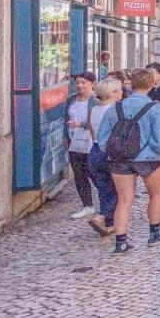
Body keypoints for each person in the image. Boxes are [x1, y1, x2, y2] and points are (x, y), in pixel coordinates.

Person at [95, 68, 160, 253]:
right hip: (150, 159)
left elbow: (103, 137)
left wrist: (117, 152)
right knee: (157, 195)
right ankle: (154, 234)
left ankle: (121, 242)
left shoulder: (115, 107)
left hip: (120, 158)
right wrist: (155, 153)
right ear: (151, 84)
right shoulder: (156, 108)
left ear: (130, 83)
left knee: (124, 200)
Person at [85, 77, 121, 237]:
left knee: (104, 188)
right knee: (118, 189)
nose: (121, 92)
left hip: (95, 149)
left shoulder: (94, 109)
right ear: (113, 93)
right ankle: (102, 216)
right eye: (119, 90)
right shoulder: (115, 110)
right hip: (110, 152)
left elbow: (92, 132)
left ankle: (110, 222)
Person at [65, 72, 98, 220]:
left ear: (92, 83)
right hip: (74, 142)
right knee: (79, 175)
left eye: (83, 82)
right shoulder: (71, 99)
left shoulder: (96, 100)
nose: (79, 85)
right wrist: (65, 137)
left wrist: (82, 124)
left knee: (95, 174)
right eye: (78, 82)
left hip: (91, 142)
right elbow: (66, 118)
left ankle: (110, 201)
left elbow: (99, 120)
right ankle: (87, 205)